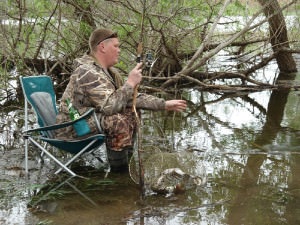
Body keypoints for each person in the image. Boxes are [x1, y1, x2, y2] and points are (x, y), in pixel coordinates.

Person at [56, 28, 187, 171]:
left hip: (88, 119)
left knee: (131, 112)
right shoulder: (86, 71)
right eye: (116, 46)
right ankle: (119, 173)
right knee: (117, 121)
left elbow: (128, 98)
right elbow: (110, 107)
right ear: (103, 47)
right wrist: (130, 83)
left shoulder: (110, 72)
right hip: (73, 127)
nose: (119, 50)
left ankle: (127, 163)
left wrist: (164, 104)